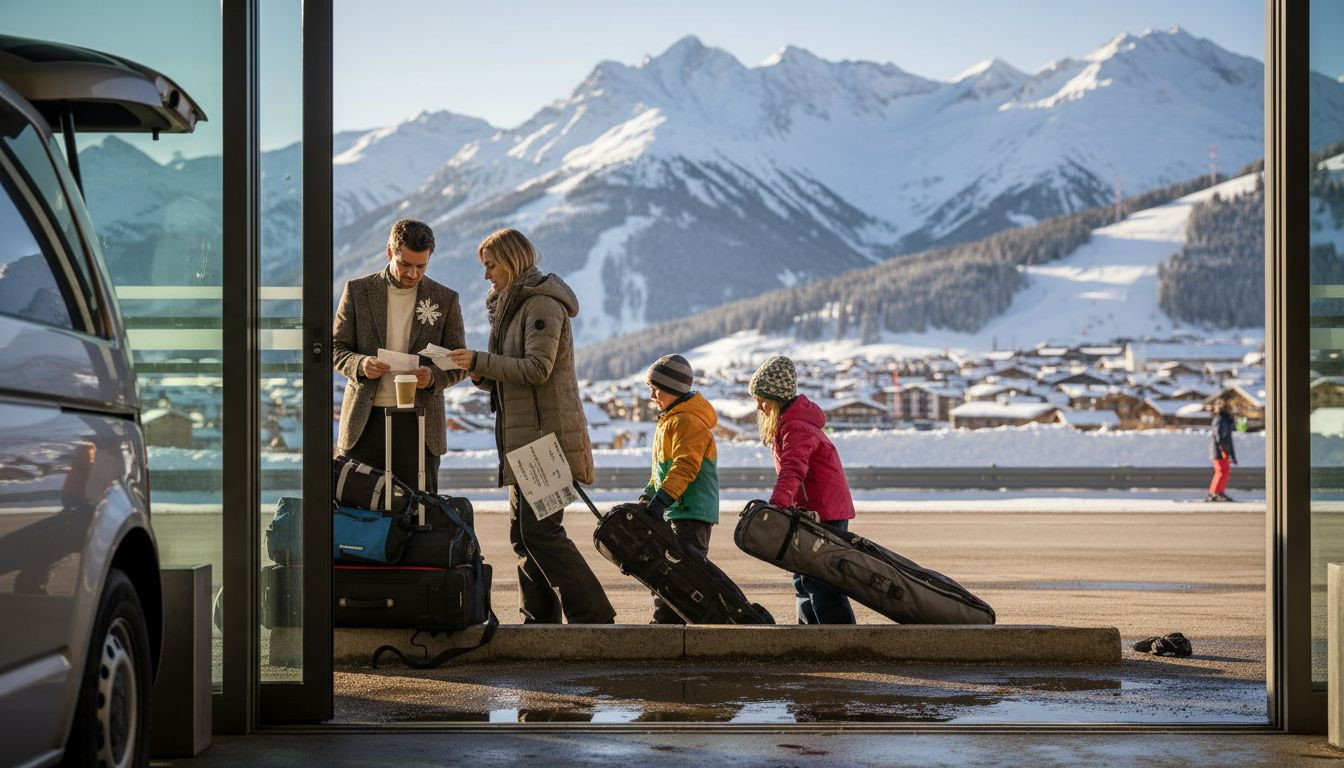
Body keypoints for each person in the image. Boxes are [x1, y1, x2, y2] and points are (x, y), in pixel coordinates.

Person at [445, 228, 615, 624]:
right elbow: (516, 368)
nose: (486, 276)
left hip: (545, 441)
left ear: (511, 261)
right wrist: (480, 373)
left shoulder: (540, 304)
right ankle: (538, 618)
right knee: (524, 537)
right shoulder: (511, 306)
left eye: (491, 266)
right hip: (526, 440)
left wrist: (479, 362)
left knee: (541, 534)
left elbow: (538, 369)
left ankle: (594, 617)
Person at [332, 218, 465, 493]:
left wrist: (432, 376)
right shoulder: (357, 292)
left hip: (420, 422)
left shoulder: (445, 299)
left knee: (420, 513)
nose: (413, 274)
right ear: (390, 252)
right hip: (364, 422)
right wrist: (360, 363)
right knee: (360, 511)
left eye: (421, 266)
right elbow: (336, 348)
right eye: (406, 264)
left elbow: (458, 362)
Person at [750, 354, 857, 624]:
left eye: (763, 399)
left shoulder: (797, 426)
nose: (759, 406)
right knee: (802, 577)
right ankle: (809, 632)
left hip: (824, 511)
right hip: (810, 510)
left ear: (777, 397)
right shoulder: (790, 422)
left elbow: (793, 470)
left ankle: (838, 638)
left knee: (821, 578)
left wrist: (776, 507)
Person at [638, 354, 720, 624]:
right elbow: (660, 472)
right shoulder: (670, 421)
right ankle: (667, 620)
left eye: (656, 388)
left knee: (681, 572)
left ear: (672, 389)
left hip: (690, 513)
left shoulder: (687, 421)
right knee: (667, 567)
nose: (652, 395)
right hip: (676, 508)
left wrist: (661, 500)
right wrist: (648, 496)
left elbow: (685, 467)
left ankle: (672, 622)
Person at [1207, 396, 1238, 502]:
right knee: (1220, 471)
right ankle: (1213, 492)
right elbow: (1218, 434)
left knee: (1225, 472)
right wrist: (1222, 448)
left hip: (1224, 448)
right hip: (1219, 449)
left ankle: (1220, 492)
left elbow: (1232, 429)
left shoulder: (1226, 419)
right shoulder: (1219, 418)